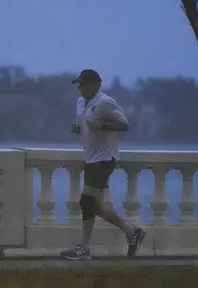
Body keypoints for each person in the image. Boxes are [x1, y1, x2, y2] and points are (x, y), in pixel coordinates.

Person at [60, 69, 146, 261]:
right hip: (90, 158)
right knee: (94, 205)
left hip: (105, 158)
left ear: (96, 84)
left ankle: (84, 248)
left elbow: (125, 124)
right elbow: (86, 126)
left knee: (86, 201)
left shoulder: (105, 102)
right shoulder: (80, 103)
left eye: (82, 84)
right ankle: (132, 232)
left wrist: (104, 126)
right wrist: (77, 129)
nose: (79, 88)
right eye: (78, 84)